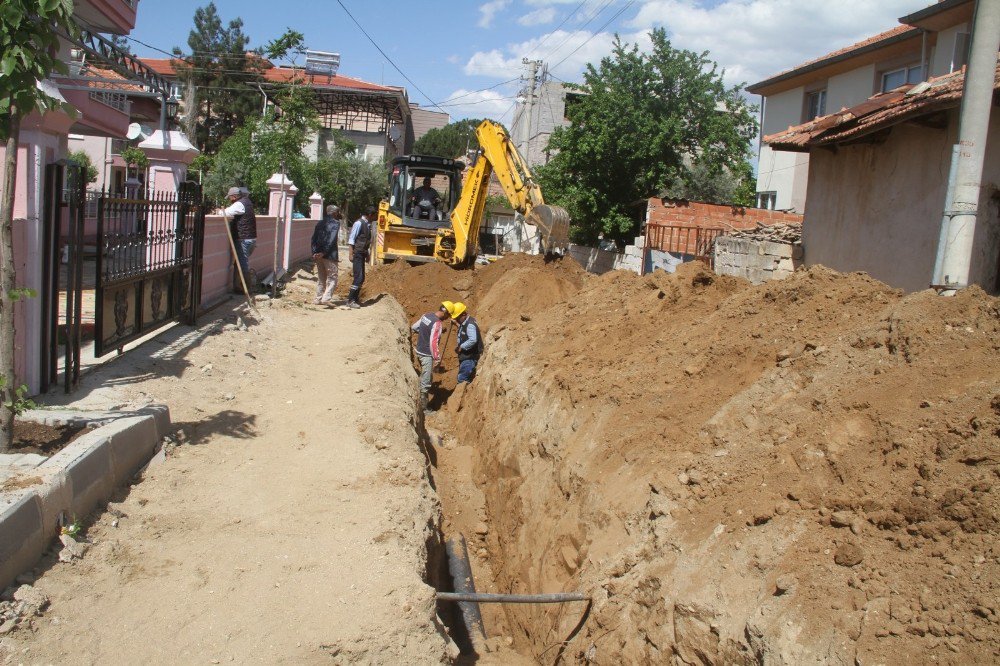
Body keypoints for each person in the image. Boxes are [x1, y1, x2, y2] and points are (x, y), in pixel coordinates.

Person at [411, 301, 454, 412]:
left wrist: (424, 334)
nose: (448, 318)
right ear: (445, 313)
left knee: (424, 376)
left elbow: (414, 327)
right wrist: (437, 358)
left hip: (418, 351)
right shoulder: (437, 324)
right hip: (426, 355)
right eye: (448, 315)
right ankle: (423, 409)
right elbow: (433, 343)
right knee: (426, 381)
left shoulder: (426, 315)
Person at [223, 186, 257, 292]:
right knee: (239, 263)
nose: (229, 200)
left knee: (242, 264)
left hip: (243, 239)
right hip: (250, 238)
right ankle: (239, 288)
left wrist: (220, 211)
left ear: (234, 196)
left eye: (230, 197)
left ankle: (247, 288)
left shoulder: (239, 204)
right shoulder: (247, 202)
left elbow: (226, 213)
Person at [344, 206, 375, 309]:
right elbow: (352, 239)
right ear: (370, 215)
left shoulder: (367, 225)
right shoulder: (359, 223)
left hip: (362, 253)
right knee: (358, 278)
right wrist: (350, 254)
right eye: (374, 215)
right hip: (357, 254)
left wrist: (368, 254)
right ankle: (350, 300)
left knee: (361, 278)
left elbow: (366, 242)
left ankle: (355, 299)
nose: (375, 218)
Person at [311, 205, 342, 305]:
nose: (338, 214)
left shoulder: (319, 223)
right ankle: (326, 298)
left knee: (321, 277)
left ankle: (318, 298)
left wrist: (315, 252)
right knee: (333, 276)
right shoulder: (335, 223)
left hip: (318, 255)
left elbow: (313, 239)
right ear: (334, 213)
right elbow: (331, 240)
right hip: (329, 254)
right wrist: (324, 252)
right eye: (337, 212)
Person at [451, 302, 482, 384]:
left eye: (457, 318)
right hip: (466, 355)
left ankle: (462, 395)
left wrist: (461, 347)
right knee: (463, 376)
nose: (456, 319)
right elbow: (465, 330)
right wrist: (457, 324)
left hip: (470, 357)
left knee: (462, 378)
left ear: (463, 314)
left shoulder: (470, 324)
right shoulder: (465, 322)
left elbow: (473, 340)